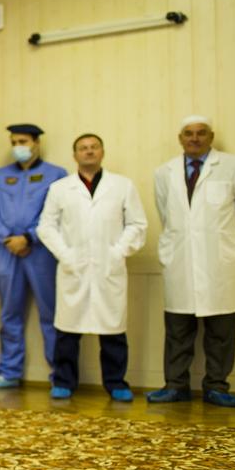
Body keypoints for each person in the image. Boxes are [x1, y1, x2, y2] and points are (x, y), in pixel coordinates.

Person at [148, 116, 235, 407]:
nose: (194, 138)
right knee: (177, 329)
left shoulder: (234, 167)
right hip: (180, 261)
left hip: (218, 263)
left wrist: (224, 243)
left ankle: (217, 386)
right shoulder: (164, 173)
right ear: (180, 138)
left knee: (221, 330)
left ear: (211, 137)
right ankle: (175, 385)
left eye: (201, 133)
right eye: (189, 133)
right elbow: (166, 215)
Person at [37, 134, 147, 400]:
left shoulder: (122, 186)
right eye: (83, 148)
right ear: (74, 156)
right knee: (67, 330)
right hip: (73, 268)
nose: (89, 152)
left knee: (113, 331)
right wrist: (66, 254)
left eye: (93, 147)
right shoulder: (60, 188)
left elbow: (137, 224)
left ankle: (116, 383)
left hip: (109, 267)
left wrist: (117, 252)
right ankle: (64, 381)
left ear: (102, 152)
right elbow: (46, 227)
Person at [0, 123, 68, 389]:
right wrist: (9, 239)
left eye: (23, 141)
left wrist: (28, 237)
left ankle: (60, 375)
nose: (18, 147)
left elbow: (57, 214)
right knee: (10, 313)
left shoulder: (56, 174)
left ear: (36, 143)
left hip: (41, 251)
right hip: (7, 251)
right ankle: (9, 372)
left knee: (50, 313)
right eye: (14, 142)